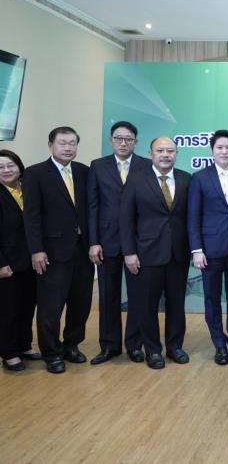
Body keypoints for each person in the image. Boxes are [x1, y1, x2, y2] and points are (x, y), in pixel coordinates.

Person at [23, 127, 93, 374]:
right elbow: (31, 216)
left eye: (72, 143)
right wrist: (36, 250)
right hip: (51, 252)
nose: (68, 148)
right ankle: (51, 353)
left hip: (83, 250)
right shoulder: (34, 173)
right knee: (50, 307)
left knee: (81, 303)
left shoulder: (84, 171)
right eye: (63, 143)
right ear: (50, 144)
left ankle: (71, 345)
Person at [120, 137, 191, 369]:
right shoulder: (136, 180)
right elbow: (126, 220)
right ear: (150, 153)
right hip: (147, 254)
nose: (165, 155)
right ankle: (152, 350)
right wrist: (129, 252)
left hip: (178, 254)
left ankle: (175, 346)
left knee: (176, 304)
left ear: (176, 154)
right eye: (160, 150)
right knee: (147, 306)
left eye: (170, 151)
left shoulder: (186, 179)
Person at [87, 121, 151, 365]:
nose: (123, 143)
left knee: (138, 296)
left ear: (136, 142)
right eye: (118, 138)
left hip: (139, 242)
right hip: (107, 241)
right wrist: (94, 241)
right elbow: (93, 206)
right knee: (108, 295)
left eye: (129, 139)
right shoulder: (98, 166)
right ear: (111, 140)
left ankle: (134, 345)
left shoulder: (147, 165)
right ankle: (109, 346)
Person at [188, 130, 228, 365]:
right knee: (212, 299)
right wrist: (196, 249)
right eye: (220, 147)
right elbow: (193, 216)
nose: (224, 151)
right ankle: (219, 344)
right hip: (210, 249)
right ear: (212, 150)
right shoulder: (200, 177)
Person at [0, 150, 40, 371]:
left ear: (19, 167)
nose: (6, 170)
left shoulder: (28, 188)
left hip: (31, 261)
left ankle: (24, 345)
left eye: (10, 165)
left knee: (27, 306)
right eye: (0, 167)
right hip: (7, 264)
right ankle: (8, 352)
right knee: (8, 310)